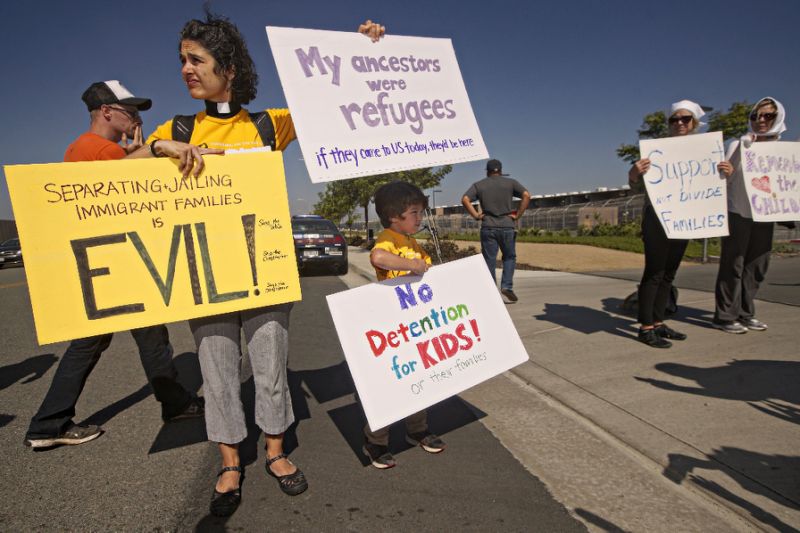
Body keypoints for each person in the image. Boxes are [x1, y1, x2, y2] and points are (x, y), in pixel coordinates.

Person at [145, 13, 385, 516]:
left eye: (197, 60)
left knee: (272, 365)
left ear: (228, 68)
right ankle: (230, 460)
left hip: (266, 268)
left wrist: (356, 48)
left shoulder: (267, 123)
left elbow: (328, 97)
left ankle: (275, 451)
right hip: (205, 274)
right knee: (216, 367)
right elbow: (122, 171)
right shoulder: (178, 126)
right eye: (182, 61)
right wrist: (158, 146)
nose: (186, 70)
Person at [24, 80, 213, 450]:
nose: (138, 117)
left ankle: (50, 423)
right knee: (142, 340)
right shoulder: (97, 149)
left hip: (107, 268)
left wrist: (134, 153)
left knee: (115, 342)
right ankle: (49, 424)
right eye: (131, 111)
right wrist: (152, 149)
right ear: (107, 112)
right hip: (119, 269)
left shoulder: (88, 148)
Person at [628, 100, 733, 348]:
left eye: (685, 119)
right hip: (659, 218)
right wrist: (634, 173)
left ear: (694, 123)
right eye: (674, 120)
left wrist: (726, 173)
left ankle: (658, 321)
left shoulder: (706, 151)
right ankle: (645, 327)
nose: (679, 124)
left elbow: (711, 187)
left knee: (669, 274)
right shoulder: (656, 151)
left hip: (686, 218)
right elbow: (637, 184)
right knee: (654, 272)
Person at [363, 180, 446, 469]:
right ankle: (376, 440)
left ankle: (417, 428)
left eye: (420, 213)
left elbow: (427, 271)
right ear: (393, 217)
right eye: (414, 213)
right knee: (390, 383)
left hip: (415, 322)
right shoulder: (388, 238)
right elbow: (378, 257)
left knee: (418, 377)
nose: (419, 218)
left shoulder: (411, 242)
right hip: (393, 325)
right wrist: (413, 265)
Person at [713, 97, 787, 334]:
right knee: (732, 265)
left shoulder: (784, 151)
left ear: (778, 118)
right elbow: (726, 177)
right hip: (739, 211)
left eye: (768, 116)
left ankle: (746, 312)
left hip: (765, 213)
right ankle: (725, 315)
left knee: (757, 266)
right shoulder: (739, 144)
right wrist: (732, 163)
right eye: (756, 116)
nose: (761, 120)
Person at [461, 159, 530, 303]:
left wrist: (476, 215)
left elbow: (465, 199)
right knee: (509, 257)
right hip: (507, 225)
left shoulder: (479, 185)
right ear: (501, 171)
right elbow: (526, 195)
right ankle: (506, 286)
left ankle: (491, 291)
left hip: (488, 226)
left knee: (489, 260)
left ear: (487, 171)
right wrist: (518, 215)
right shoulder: (511, 183)